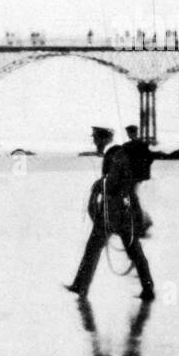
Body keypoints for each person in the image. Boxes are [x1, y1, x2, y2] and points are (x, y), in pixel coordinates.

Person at [66, 126, 155, 301]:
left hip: (113, 211)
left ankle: (79, 286)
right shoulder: (119, 152)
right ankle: (148, 289)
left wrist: (100, 184)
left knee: (94, 248)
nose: (93, 141)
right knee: (133, 251)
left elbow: (114, 180)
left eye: (95, 138)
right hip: (123, 210)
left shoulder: (116, 154)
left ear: (103, 139)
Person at [123, 124, 153, 239]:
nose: (129, 135)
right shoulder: (142, 145)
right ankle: (139, 223)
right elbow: (150, 159)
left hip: (132, 177)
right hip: (137, 177)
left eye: (129, 132)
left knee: (130, 198)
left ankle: (138, 224)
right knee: (132, 197)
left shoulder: (129, 146)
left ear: (131, 133)